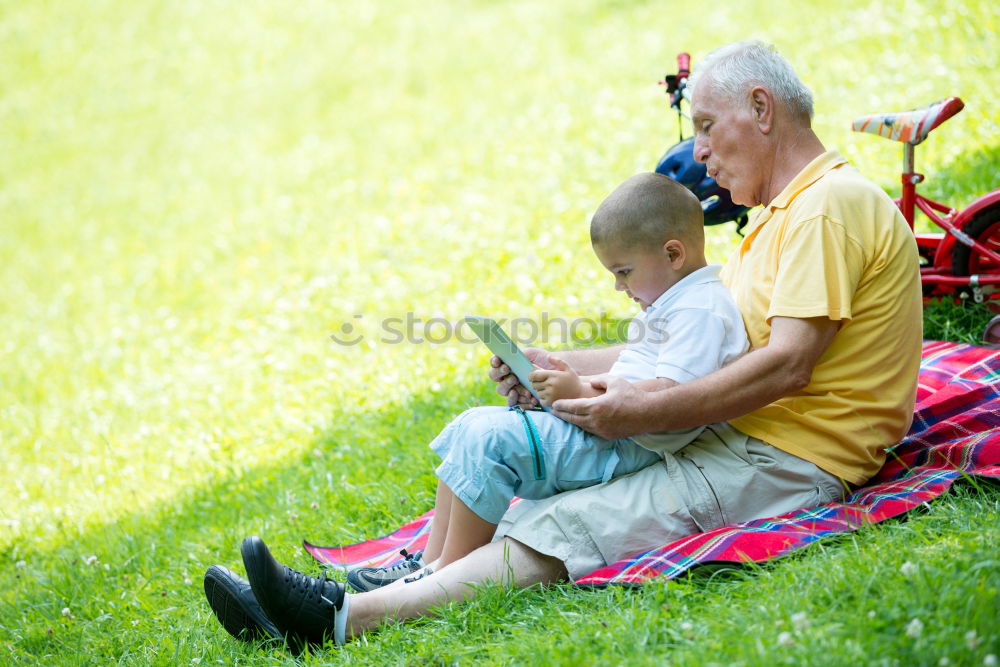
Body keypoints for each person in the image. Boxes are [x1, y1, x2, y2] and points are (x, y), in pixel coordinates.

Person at [202, 40, 922, 651]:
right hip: (733, 435)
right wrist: (560, 368)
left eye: (706, 125)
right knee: (527, 501)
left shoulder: (828, 208)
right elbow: (694, 338)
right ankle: (346, 590)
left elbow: (788, 363)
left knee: (572, 524)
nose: (698, 149)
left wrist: (636, 413)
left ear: (761, 110)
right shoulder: (779, 217)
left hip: (791, 457)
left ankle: (332, 620)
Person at [339, 173, 747, 592]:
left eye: (624, 271)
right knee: (469, 426)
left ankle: (443, 576)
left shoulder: (699, 310)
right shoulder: (672, 300)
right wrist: (556, 380)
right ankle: (431, 560)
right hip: (615, 431)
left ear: (673, 254)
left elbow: (671, 398)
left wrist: (578, 393)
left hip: (629, 445)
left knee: (487, 439)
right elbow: (637, 371)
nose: (618, 285)